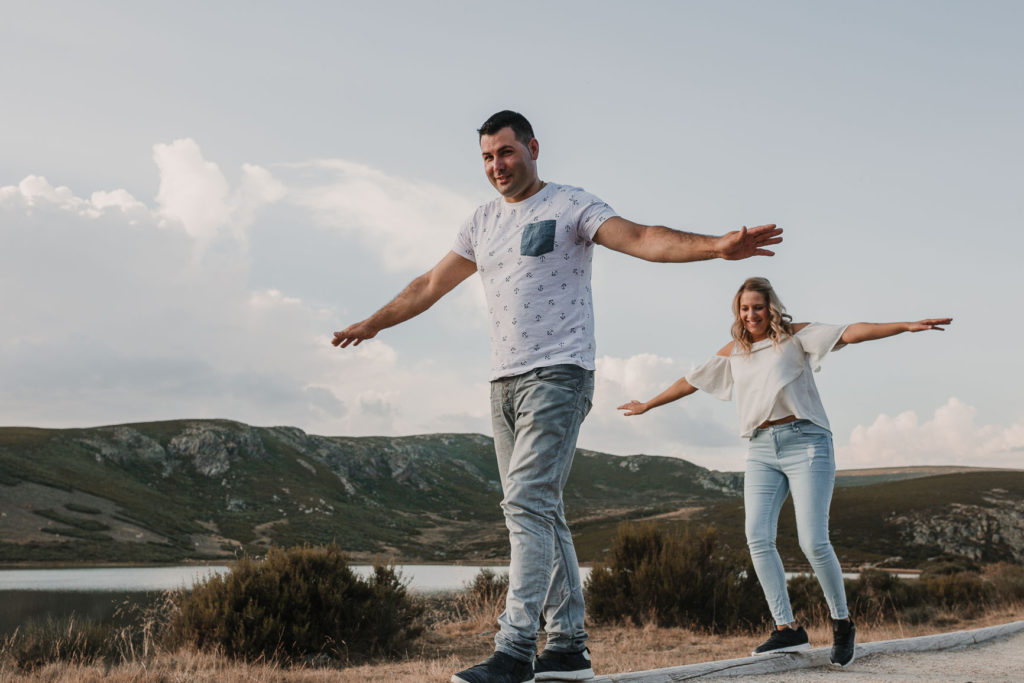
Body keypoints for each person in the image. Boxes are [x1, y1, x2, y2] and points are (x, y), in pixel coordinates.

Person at [333, 111, 783, 683]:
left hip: (559, 374)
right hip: (504, 383)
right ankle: (568, 648)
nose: (497, 166)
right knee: (542, 511)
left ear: (532, 148)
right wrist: (374, 323)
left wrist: (716, 246)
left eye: (506, 153)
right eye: (488, 158)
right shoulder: (481, 222)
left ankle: (516, 649)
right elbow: (428, 284)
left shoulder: (570, 205)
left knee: (525, 506)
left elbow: (642, 238)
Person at [618, 276, 952, 668]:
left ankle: (842, 623)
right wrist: (649, 405)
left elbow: (852, 332)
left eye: (758, 306)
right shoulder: (736, 352)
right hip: (760, 449)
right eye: (744, 308)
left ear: (770, 307)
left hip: (806, 441)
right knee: (757, 537)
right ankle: (787, 628)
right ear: (737, 312)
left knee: (813, 541)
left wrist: (906, 326)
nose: (751, 314)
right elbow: (690, 382)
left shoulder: (795, 336)